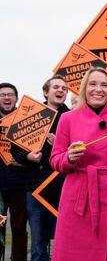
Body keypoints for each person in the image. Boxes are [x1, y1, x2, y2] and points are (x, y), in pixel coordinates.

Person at [49, 67, 107, 260]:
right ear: (84, 88)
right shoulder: (67, 119)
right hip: (77, 197)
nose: (98, 89)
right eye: (93, 84)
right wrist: (69, 157)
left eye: (104, 85)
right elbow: (55, 160)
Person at [11, 75, 69, 261]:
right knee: (38, 244)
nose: (61, 90)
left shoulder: (72, 117)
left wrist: (60, 145)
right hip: (35, 188)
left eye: (64, 88)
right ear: (46, 92)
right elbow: (15, 149)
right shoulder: (30, 115)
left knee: (66, 242)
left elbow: (79, 149)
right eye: (56, 87)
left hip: (63, 188)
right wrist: (27, 157)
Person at [0, 83, 28, 261]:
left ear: (17, 98)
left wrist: (25, 160)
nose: (7, 98)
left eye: (11, 95)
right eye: (3, 95)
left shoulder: (25, 120)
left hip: (20, 184)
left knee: (19, 229)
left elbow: (36, 149)